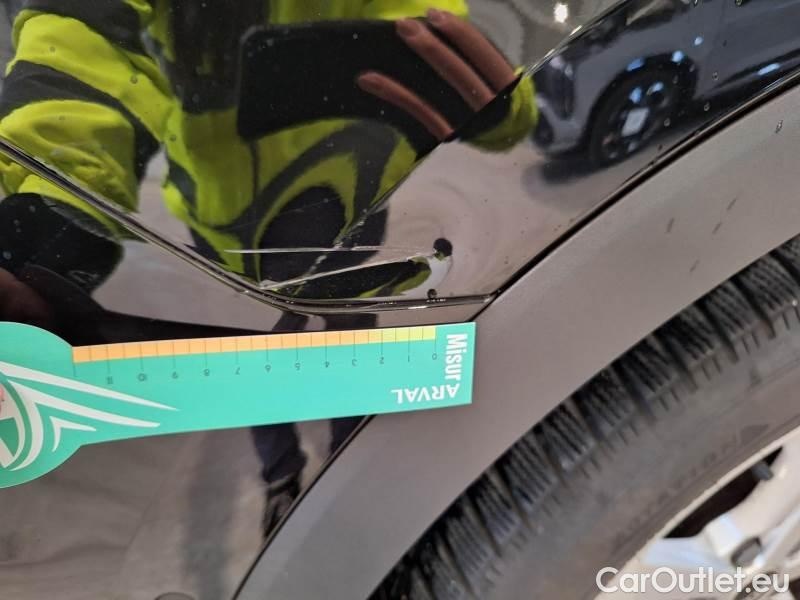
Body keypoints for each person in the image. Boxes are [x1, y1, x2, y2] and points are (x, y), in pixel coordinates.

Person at [0, 0, 537, 533]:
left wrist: (490, 107)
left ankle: (356, 461)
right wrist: (41, 214)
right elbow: (85, 39)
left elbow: (430, 37)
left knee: (343, 337)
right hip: (222, 212)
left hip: (346, 200)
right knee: (259, 350)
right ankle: (286, 475)